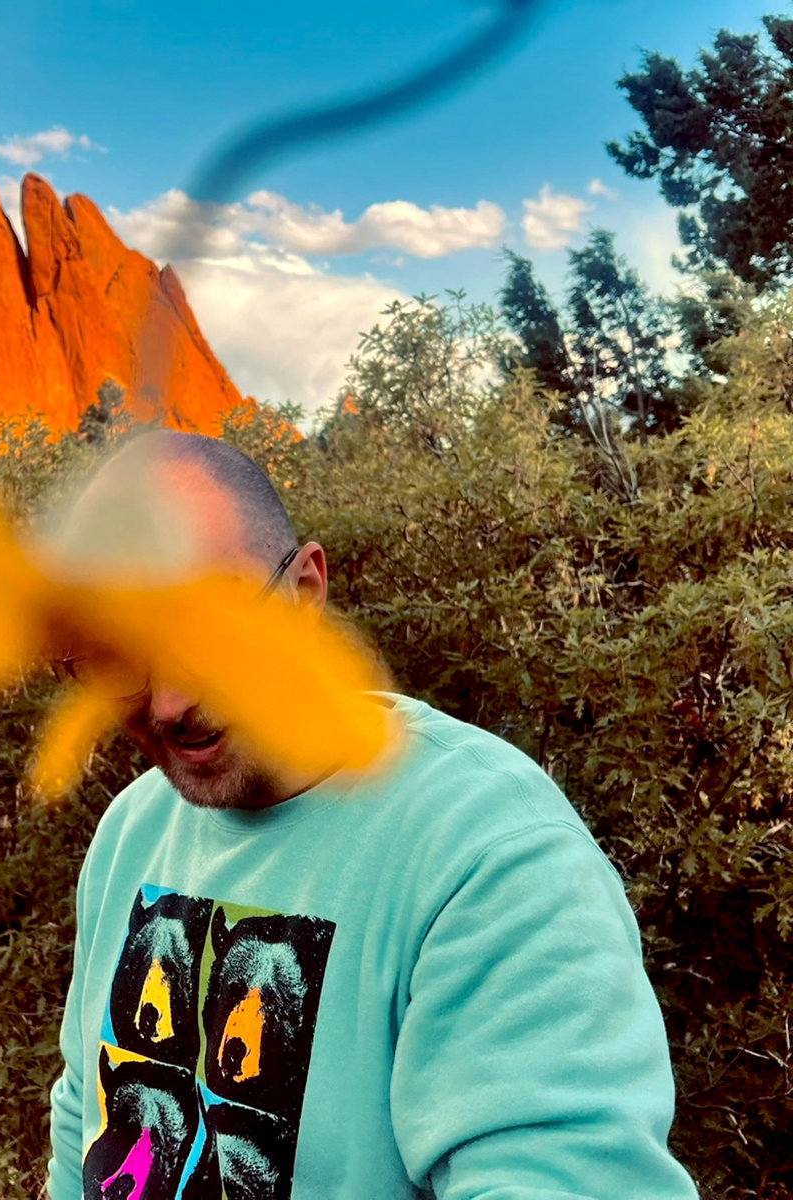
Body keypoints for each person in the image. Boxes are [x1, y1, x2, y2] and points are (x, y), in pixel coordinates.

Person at [44, 430, 698, 1200]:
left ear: (304, 592)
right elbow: (82, 1125)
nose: (170, 701)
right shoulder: (131, 830)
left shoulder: (490, 855)